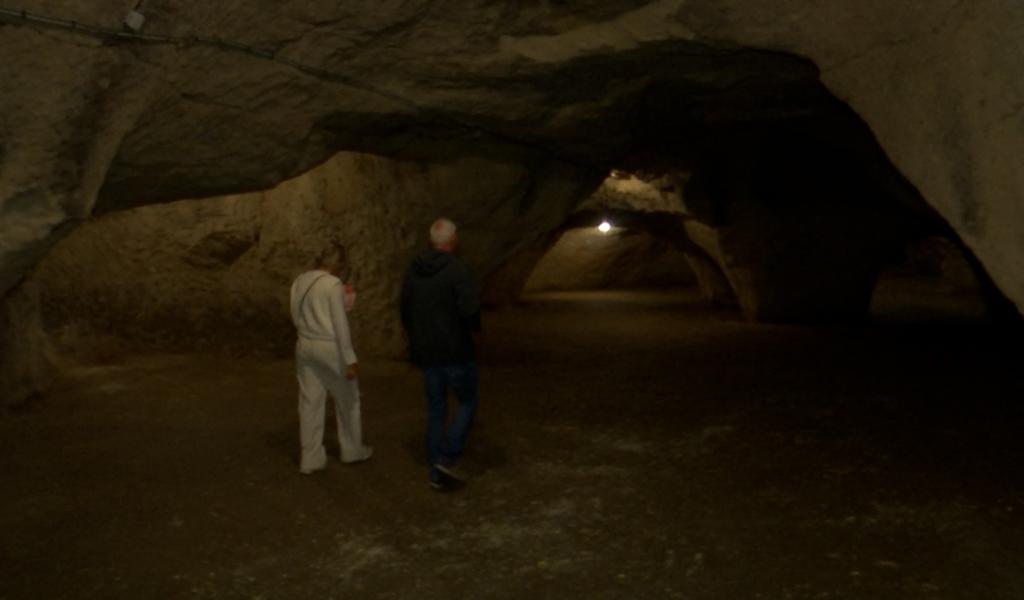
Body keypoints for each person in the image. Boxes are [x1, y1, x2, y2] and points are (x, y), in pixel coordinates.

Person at [401, 218, 482, 490]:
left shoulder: (414, 270)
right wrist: (473, 330)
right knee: (467, 401)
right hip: (456, 351)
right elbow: (469, 309)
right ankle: (447, 457)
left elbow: (404, 308)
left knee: (436, 408)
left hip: (427, 352)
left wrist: (416, 339)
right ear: (453, 240)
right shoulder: (457, 270)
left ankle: (435, 462)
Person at [290, 242, 373, 474]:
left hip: (304, 344)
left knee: (310, 402)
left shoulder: (300, 280)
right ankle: (352, 449)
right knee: (348, 399)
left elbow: (295, 315)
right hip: (329, 347)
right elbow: (340, 324)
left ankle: (310, 458)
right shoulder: (333, 284)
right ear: (338, 263)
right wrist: (350, 358)